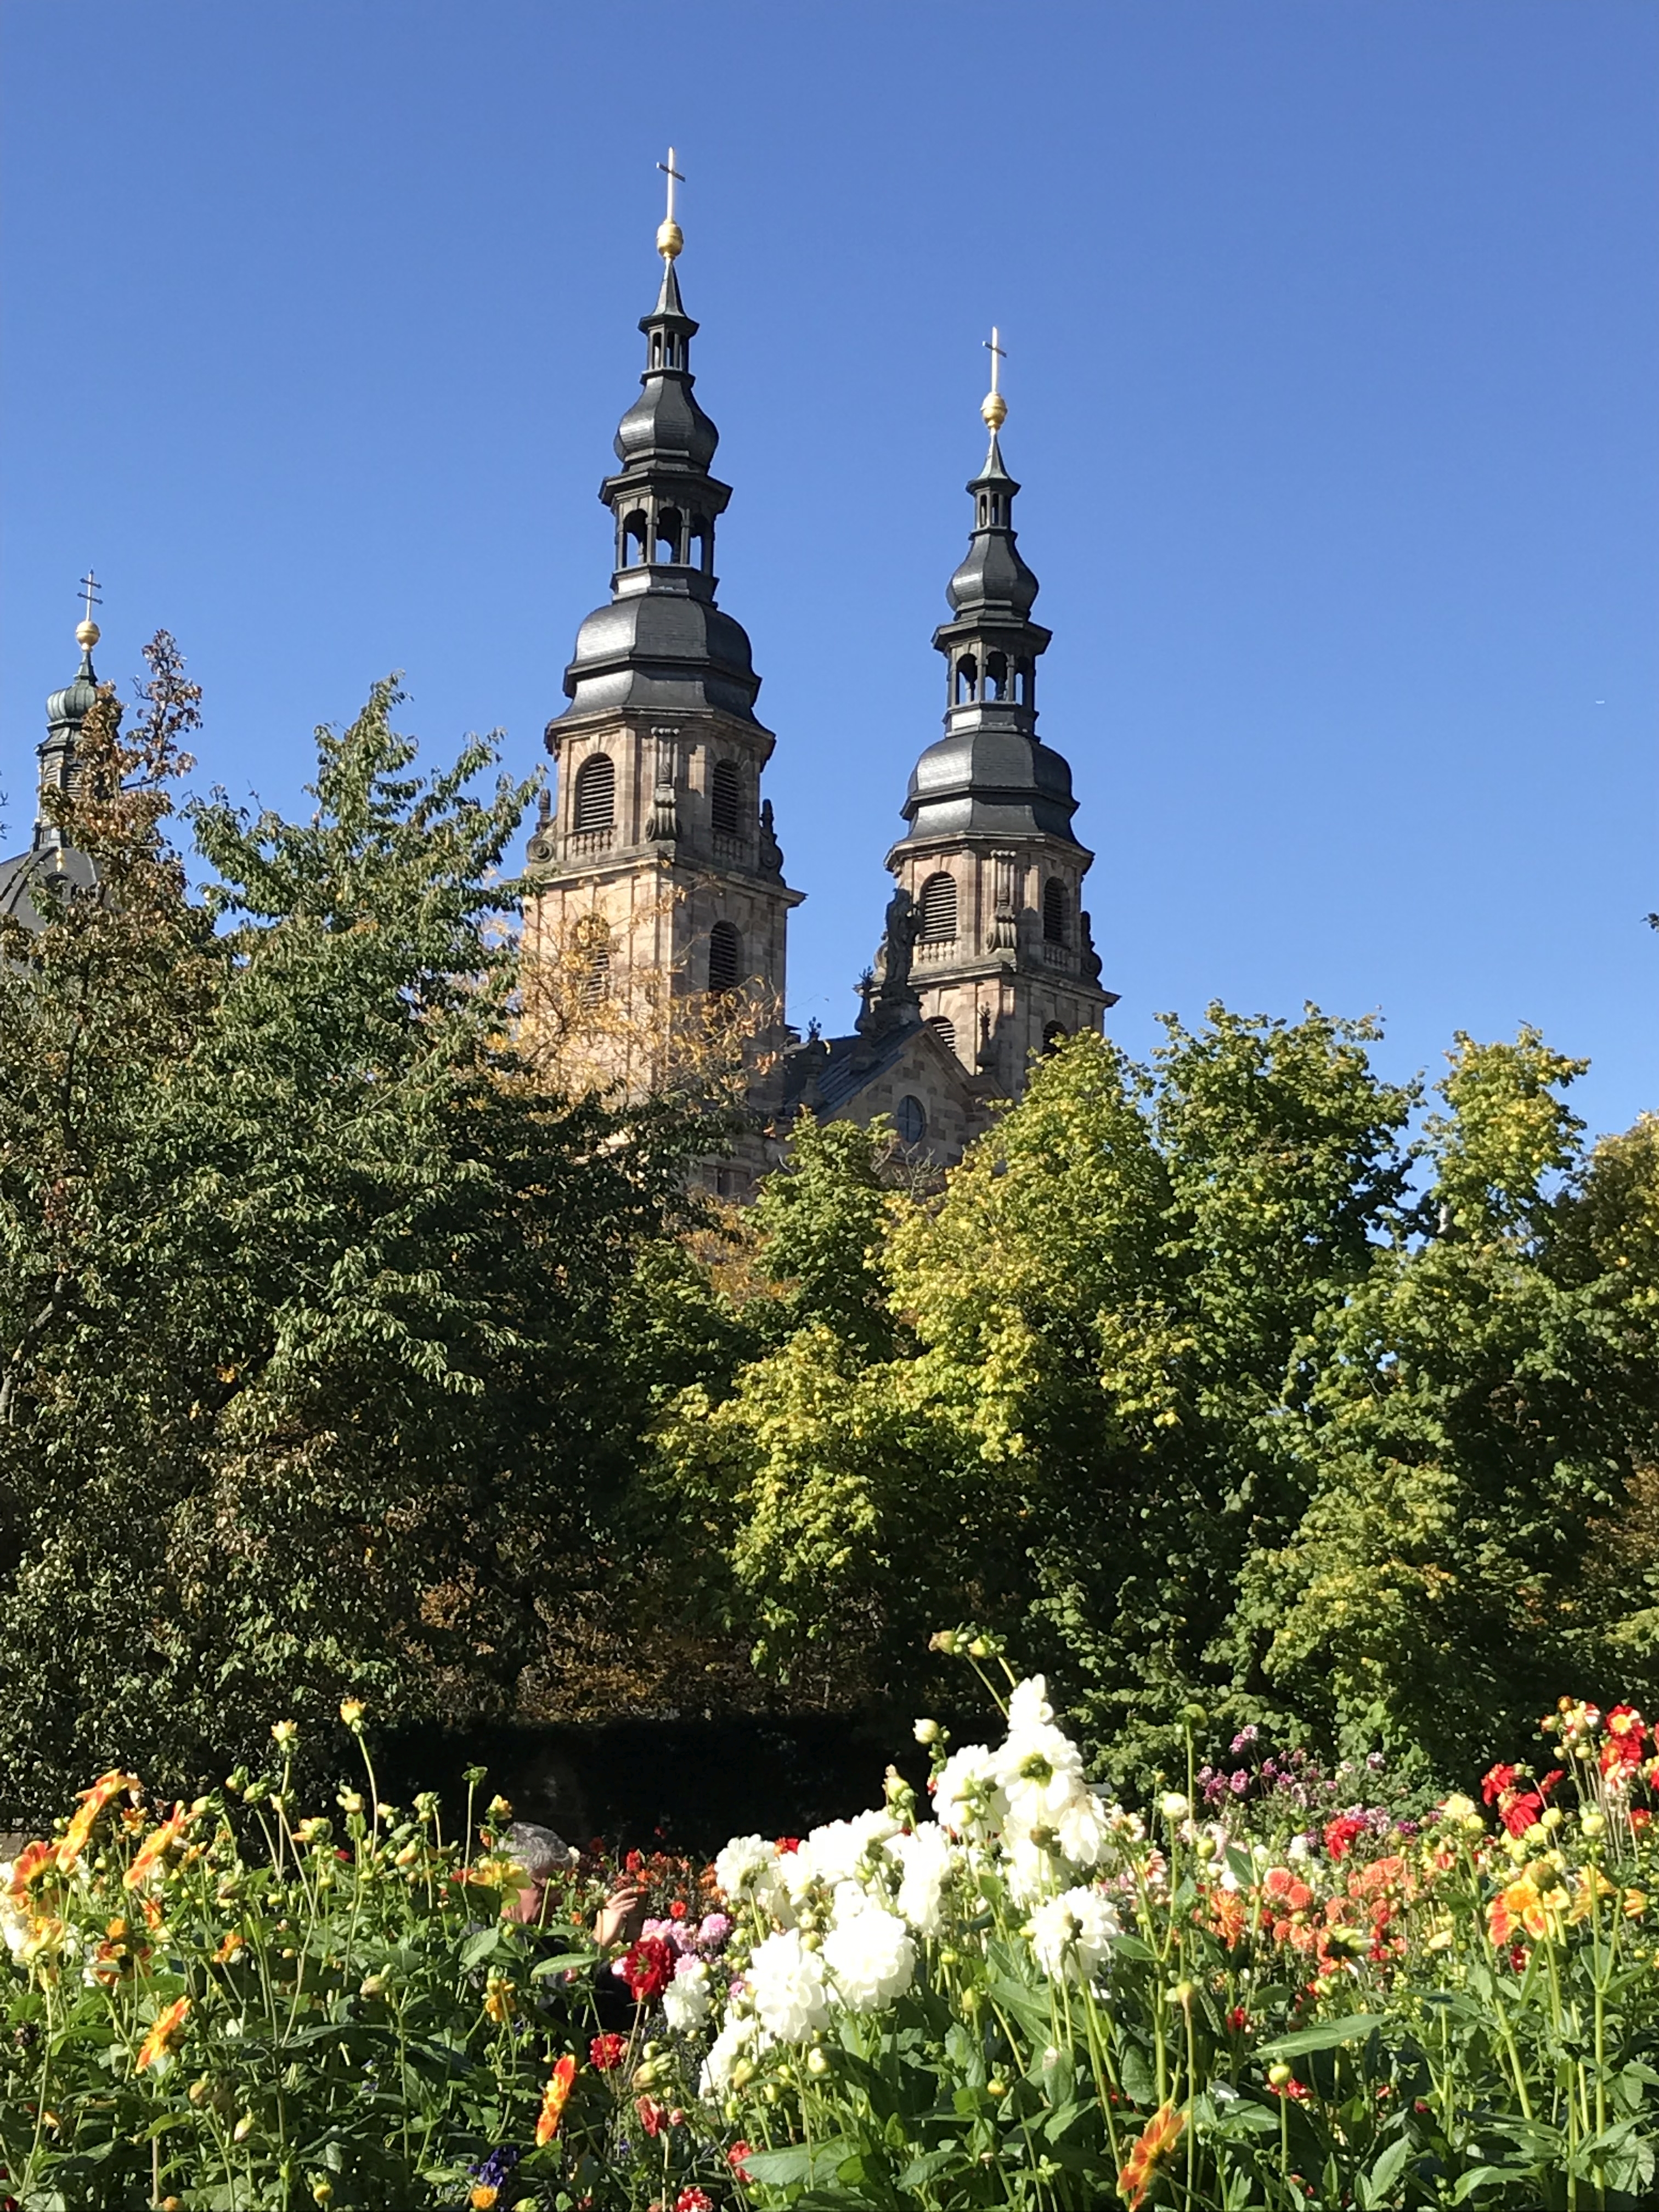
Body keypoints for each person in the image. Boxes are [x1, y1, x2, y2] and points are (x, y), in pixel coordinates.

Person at [501, 1821, 646, 2030]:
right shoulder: (481, 1936)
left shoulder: (549, 1944)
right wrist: (596, 1945)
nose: (558, 1901)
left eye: (560, 1889)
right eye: (548, 1888)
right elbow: (537, 2002)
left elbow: (613, 2010)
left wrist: (646, 1960)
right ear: (512, 1879)